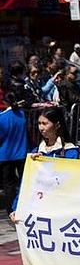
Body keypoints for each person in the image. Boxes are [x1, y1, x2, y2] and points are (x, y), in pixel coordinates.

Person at [1, 107, 80, 265]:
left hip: (65, 215)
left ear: (57, 125)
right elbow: (28, 182)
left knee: (67, 257)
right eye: (39, 124)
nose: (41, 128)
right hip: (42, 214)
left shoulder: (70, 151)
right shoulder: (37, 151)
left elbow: (72, 179)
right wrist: (17, 206)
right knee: (37, 255)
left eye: (45, 123)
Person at [0, 86, 28, 214]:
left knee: (9, 184)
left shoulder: (2, 117)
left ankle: (11, 208)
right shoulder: (21, 114)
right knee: (23, 181)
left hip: (6, 155)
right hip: (21, 152)